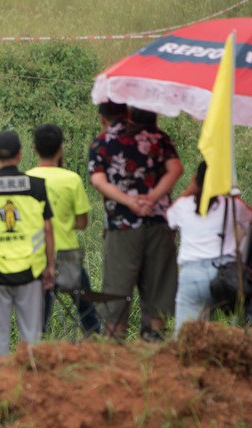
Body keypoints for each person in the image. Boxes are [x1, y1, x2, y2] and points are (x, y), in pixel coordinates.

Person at [88, 104, 183, 341]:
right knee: (157, 288)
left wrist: (129, 202)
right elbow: (176, 168)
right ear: (127, 112)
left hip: (122, 226)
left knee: (117, 291)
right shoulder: (157, 137)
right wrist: (152, 197)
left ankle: (114, 352)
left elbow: (98, 181)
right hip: (158, 223)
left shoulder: (102, 141)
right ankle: (154, 347)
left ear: (102, 118)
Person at [0, 131, 55, 359]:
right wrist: (50, 267)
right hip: (31, 271)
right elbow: (47, 229)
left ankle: (0, 385)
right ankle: (32, 384)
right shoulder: (37, 187)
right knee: (32, 337)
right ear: (20, 154)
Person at [27, 124, 102, 335]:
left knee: (38, 320)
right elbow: (83, 223)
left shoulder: (26, 180)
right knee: (87, 312)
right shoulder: (72, 180)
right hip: (67, 255)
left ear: (34, 148)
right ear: (61, 148)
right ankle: (96, 347)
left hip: (36, 256)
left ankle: (34, 355)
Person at [166, 162, 252, 328]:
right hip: (223, 274)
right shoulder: (231, 205)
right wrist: (234, 196)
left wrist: (188, 191)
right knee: (231, 330)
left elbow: (167, 219)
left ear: (196, 180)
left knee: (186, 335)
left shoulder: (183, 205)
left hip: (191, 274)